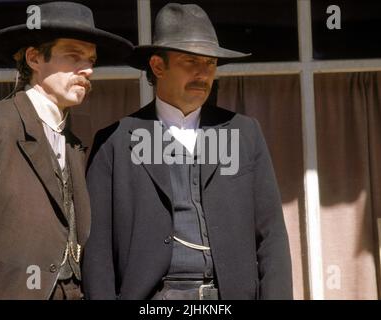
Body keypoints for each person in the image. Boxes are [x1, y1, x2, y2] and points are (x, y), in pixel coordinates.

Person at [83, 3, 292, 300]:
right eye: (190, 61)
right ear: (157, 66)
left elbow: (271, 236)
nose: (202, 73)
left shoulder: (245, 133)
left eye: (209, 63)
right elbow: (97, 251)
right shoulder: (114, 141)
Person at [0, 1, 133, 299]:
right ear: (34, 58)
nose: (88, 69)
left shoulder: (75, 144)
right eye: (74, 56)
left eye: (91, 60)